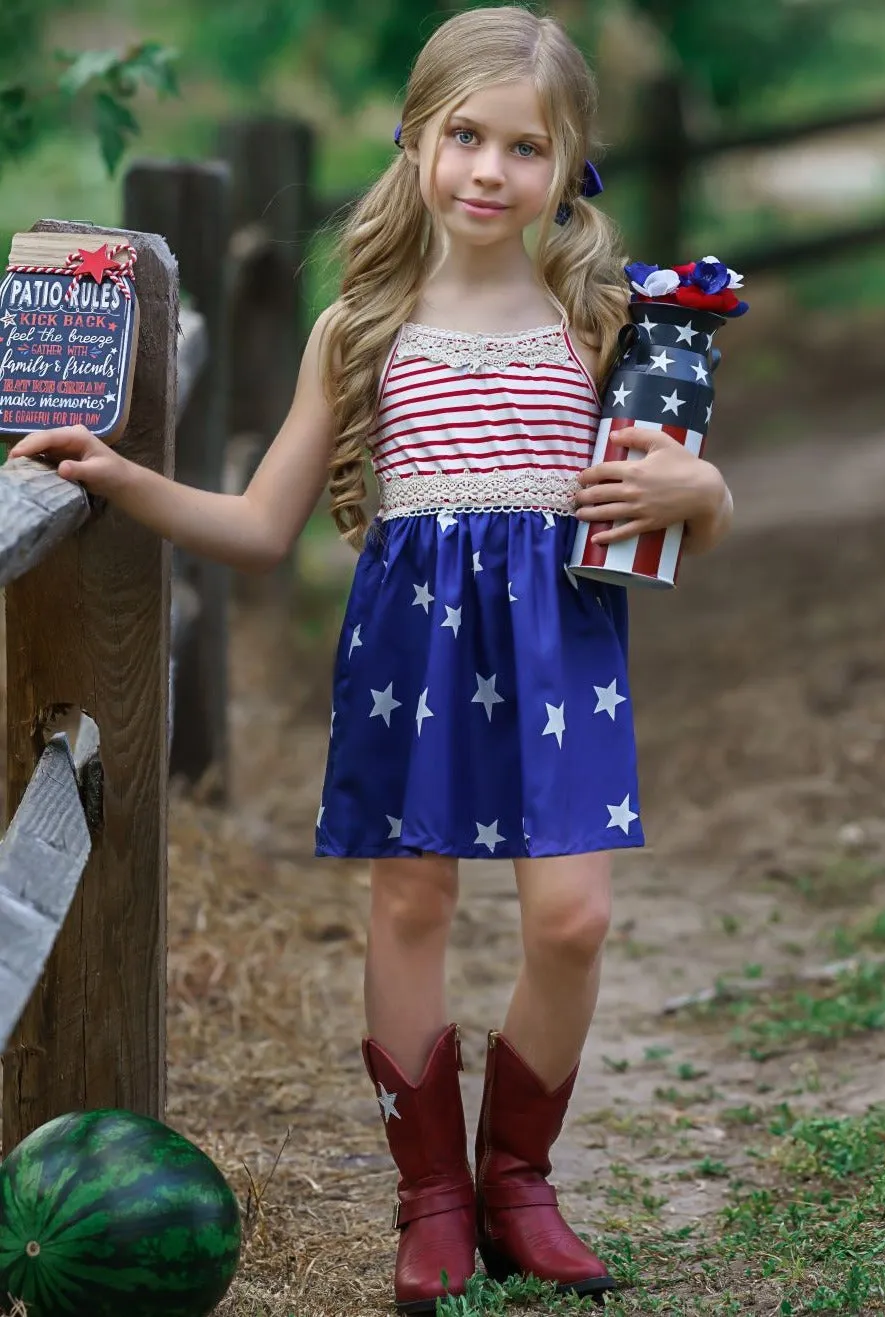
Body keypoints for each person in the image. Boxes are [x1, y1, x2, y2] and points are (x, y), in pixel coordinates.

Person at [8, 6, 733, 1310]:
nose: (487, 171)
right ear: (414, 139)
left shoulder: (599, 319)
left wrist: (701, 493)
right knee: (412, 902)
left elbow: (687, 500)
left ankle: (519, 1180)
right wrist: (123, 477)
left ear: (566, 167)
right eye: (464, 136)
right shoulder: (359, 328)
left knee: (570, 918)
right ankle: (434, 1198)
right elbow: (260, 526)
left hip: (561, 651)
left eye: (525, 147)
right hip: (413, 652)